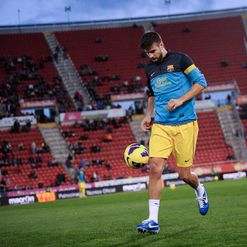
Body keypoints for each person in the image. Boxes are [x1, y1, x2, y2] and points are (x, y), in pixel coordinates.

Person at [136, 31, 209, 234]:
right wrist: (148, 115)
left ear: (161, 44)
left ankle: (199, 189)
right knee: (155, 168)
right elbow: (152, 94)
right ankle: (152, 220)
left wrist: (181, 100)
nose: (150, 56)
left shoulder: (181, 59)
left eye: (152, 51)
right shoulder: (149, 68)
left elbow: (201, 82)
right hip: (161, 126)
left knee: (185, 175)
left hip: (185, 124)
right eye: (147, 53)